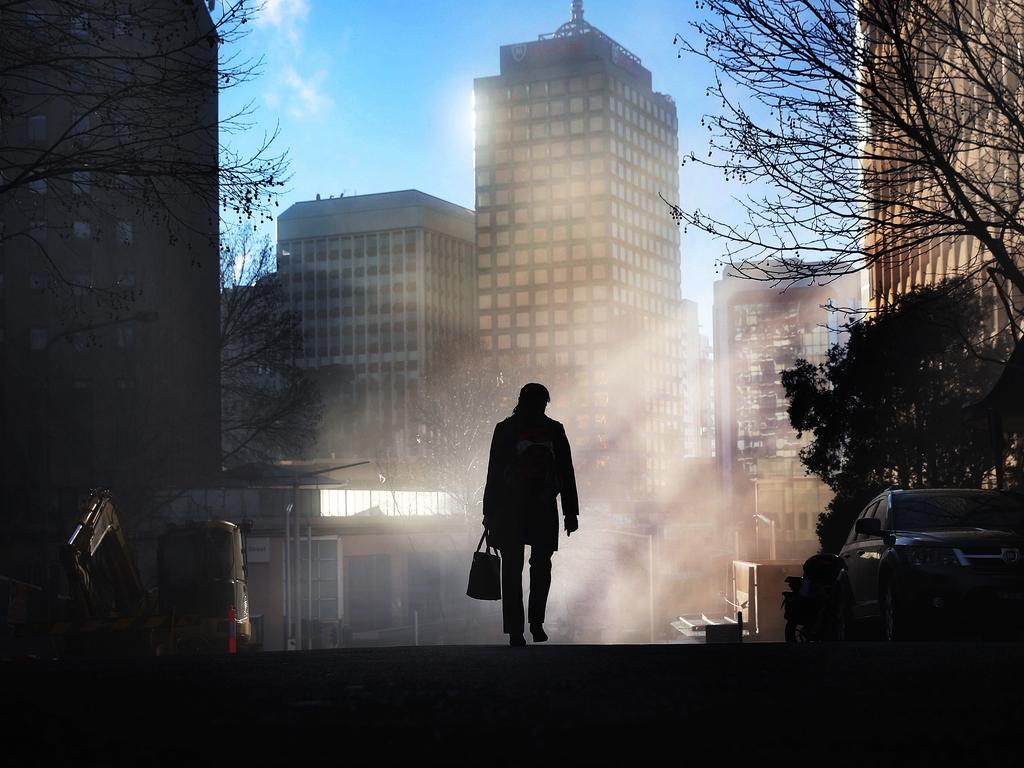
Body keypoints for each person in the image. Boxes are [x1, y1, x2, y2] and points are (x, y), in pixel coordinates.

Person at [482, 382, 579, 646]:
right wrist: (571, 513)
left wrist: (488, 513)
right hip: (540, 509)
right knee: (539, 567)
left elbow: (494, 474)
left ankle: (518, 629)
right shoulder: (554, 430)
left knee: (514, 570)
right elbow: (566, 473)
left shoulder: (505, 430)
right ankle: (535, 624)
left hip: (511, 510)